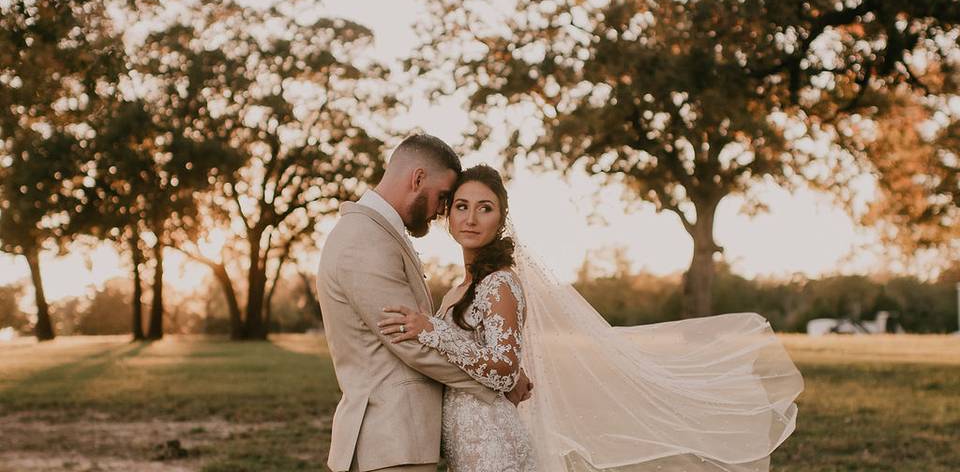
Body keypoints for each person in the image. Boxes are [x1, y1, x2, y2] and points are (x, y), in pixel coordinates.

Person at [380, 165, 803, 472]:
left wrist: (434, 330)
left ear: (500, 219)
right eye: (462, 207)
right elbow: (498, 365)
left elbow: (504, 371)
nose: (471, 218)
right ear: (448, 215)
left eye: (484, 208)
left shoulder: (500, 285)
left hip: (492, 445)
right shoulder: (458, 288)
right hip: (462, 438)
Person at [316, 135, 531, 472]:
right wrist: (497, 380)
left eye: (483, 208)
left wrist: (500, 370)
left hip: (415, 440)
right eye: (447, 199)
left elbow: (432, 335)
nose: (443, 211)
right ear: (417, 179)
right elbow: (411, 343)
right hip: (391, 437)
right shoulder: (364, 240)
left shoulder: (377, 233)